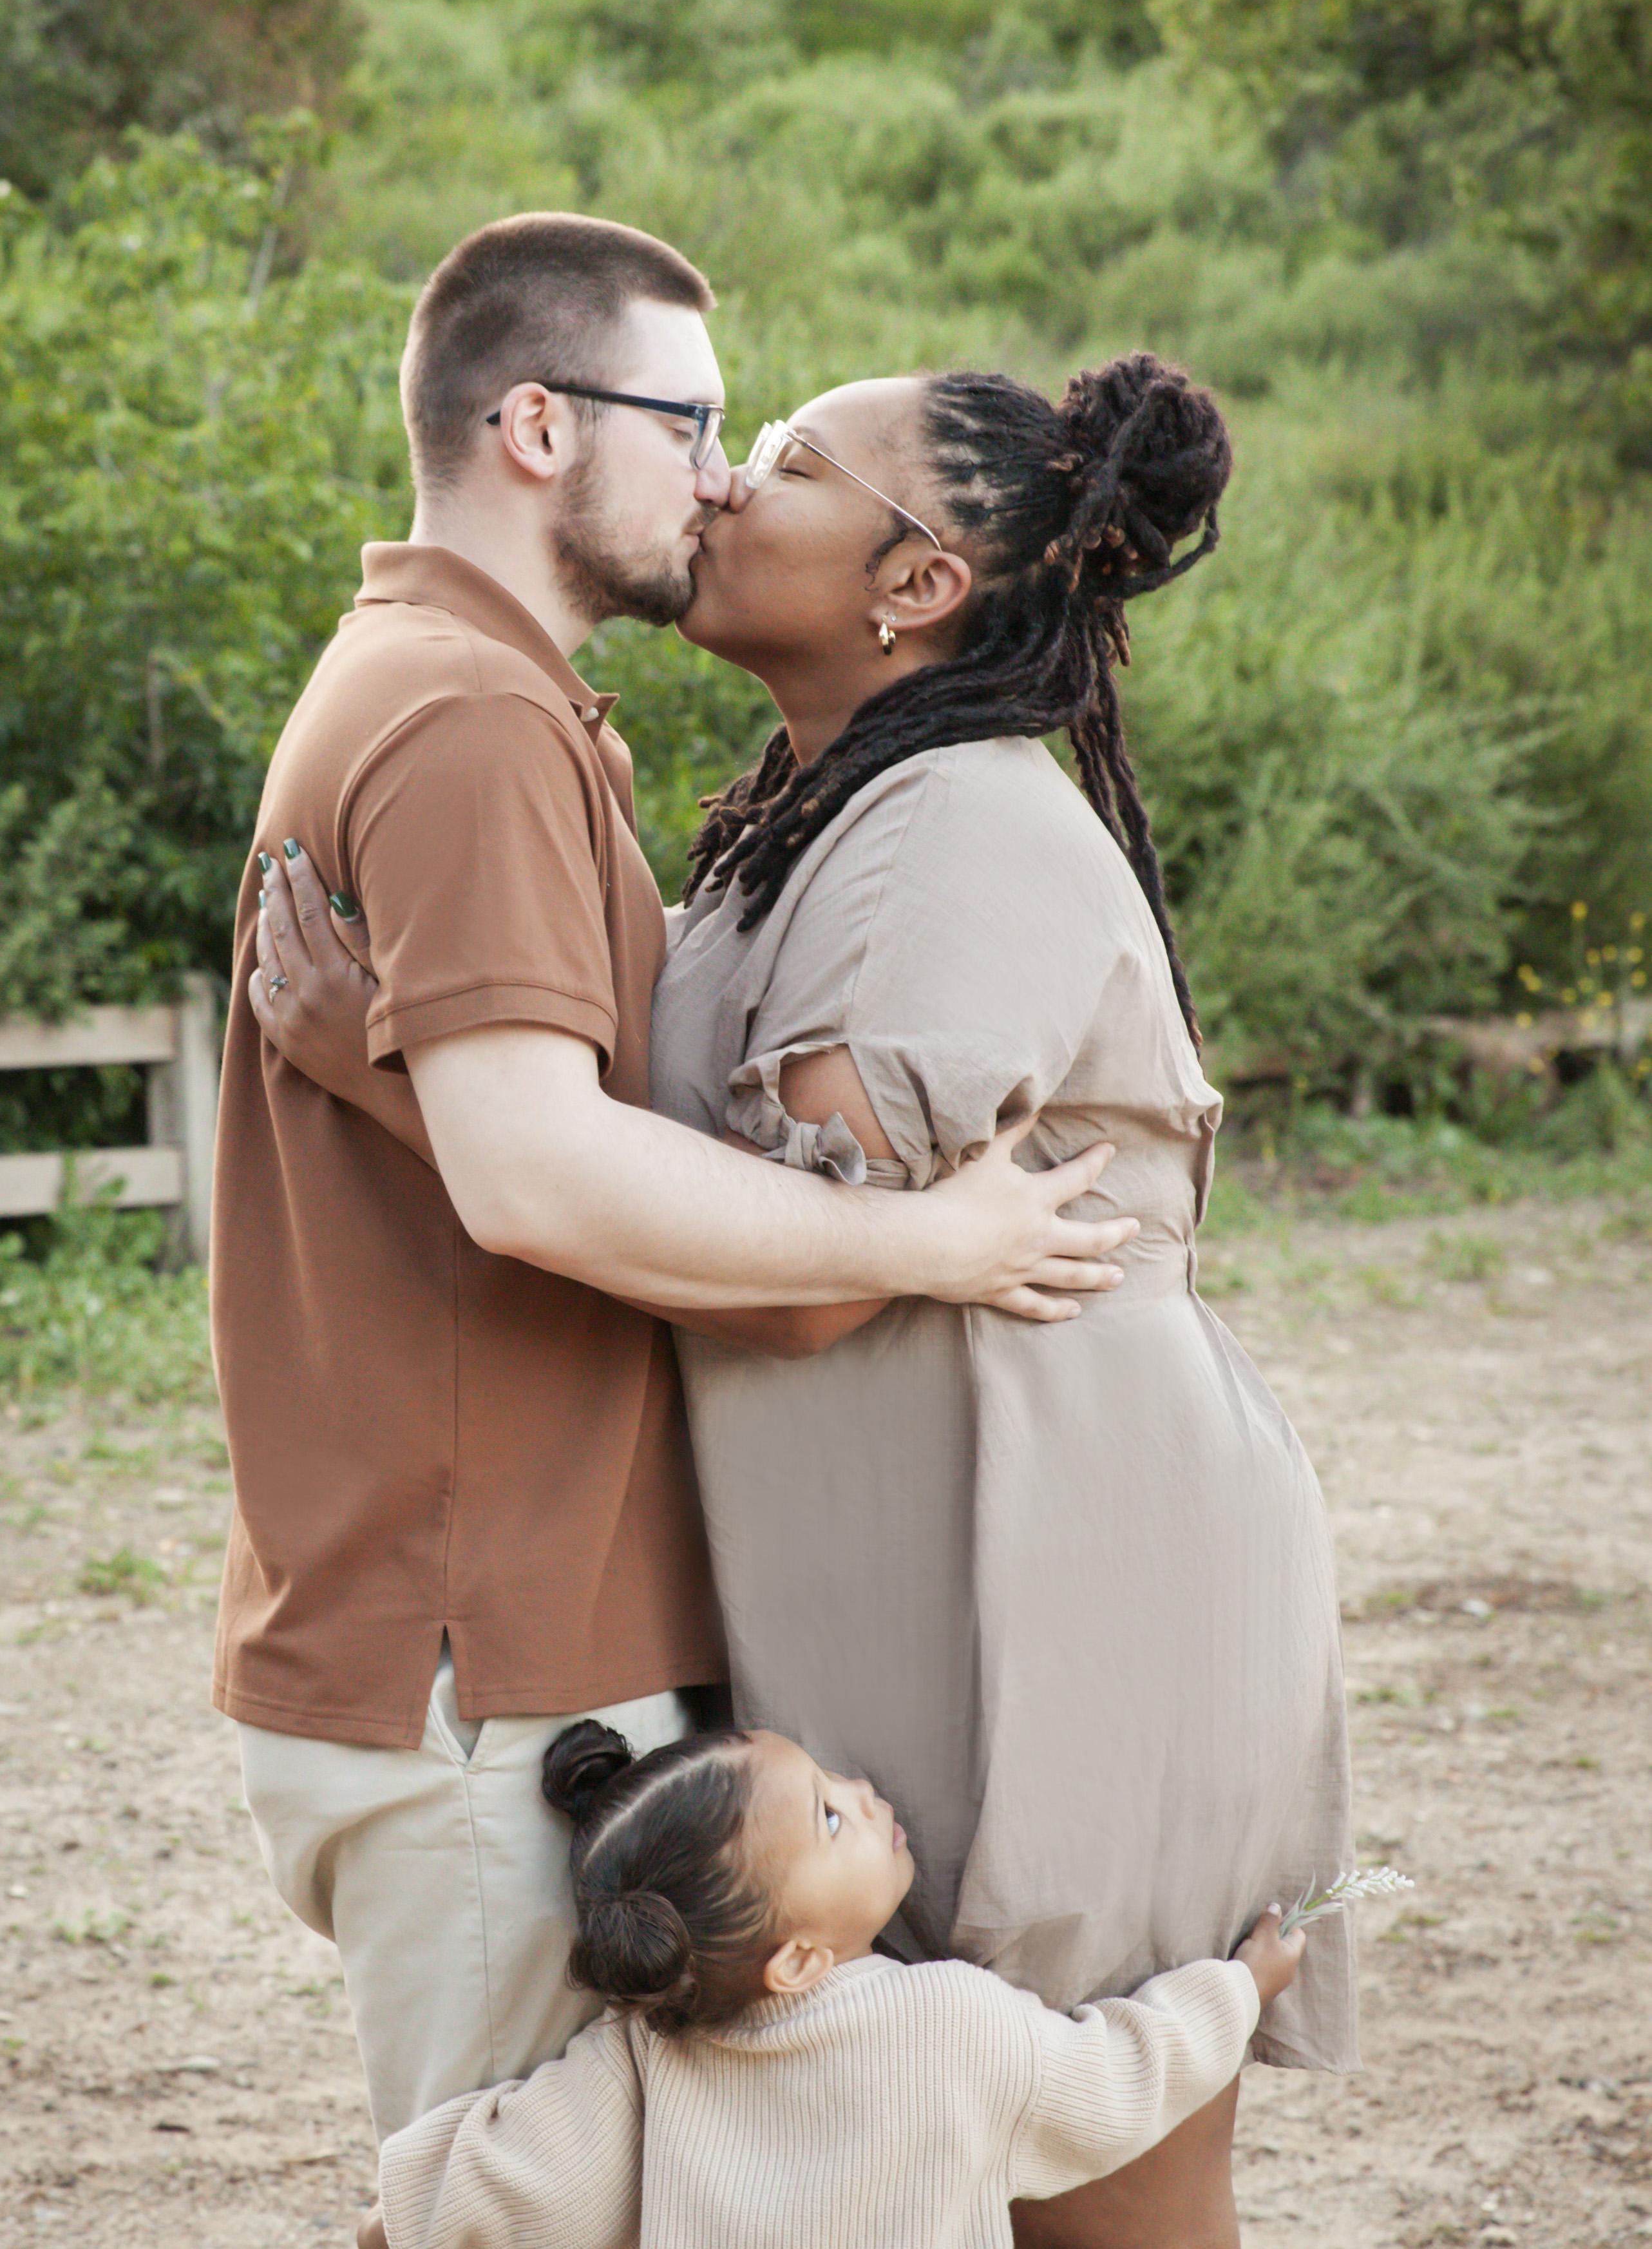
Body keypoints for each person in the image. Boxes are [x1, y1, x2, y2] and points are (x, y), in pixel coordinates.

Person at [258, 345, 1357, 2248]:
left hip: (1062, 1567)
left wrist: (393, 1078)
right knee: (906, 2138)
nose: (720, 483)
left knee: (1097, 2183)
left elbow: (793, 1286)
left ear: (914, 580)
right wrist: (439, 1067)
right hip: (901, 1557)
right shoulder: (808, 817)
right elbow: (676, 1175)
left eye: (782, 460)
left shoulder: (954, 835)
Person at [211, 213, 1137, 2145]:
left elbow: (525, 1144)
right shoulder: (472, 717)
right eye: (695, 423)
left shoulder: (460, 688)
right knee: (504, 2198)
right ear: (539, 426)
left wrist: (381, 1076)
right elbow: (538, 1178)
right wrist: (927, 1237)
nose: (718, 477)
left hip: (469, 1633)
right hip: (492, 1656)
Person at [359, 1718, 1307, 2249]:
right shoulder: (950, 2022)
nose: (860, 1791)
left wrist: (398, 2221)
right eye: (826, 1816)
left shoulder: (639, 2057)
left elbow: (520, 2178)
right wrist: (1237, 1989)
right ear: (797, 1959)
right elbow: (1118, 2076)